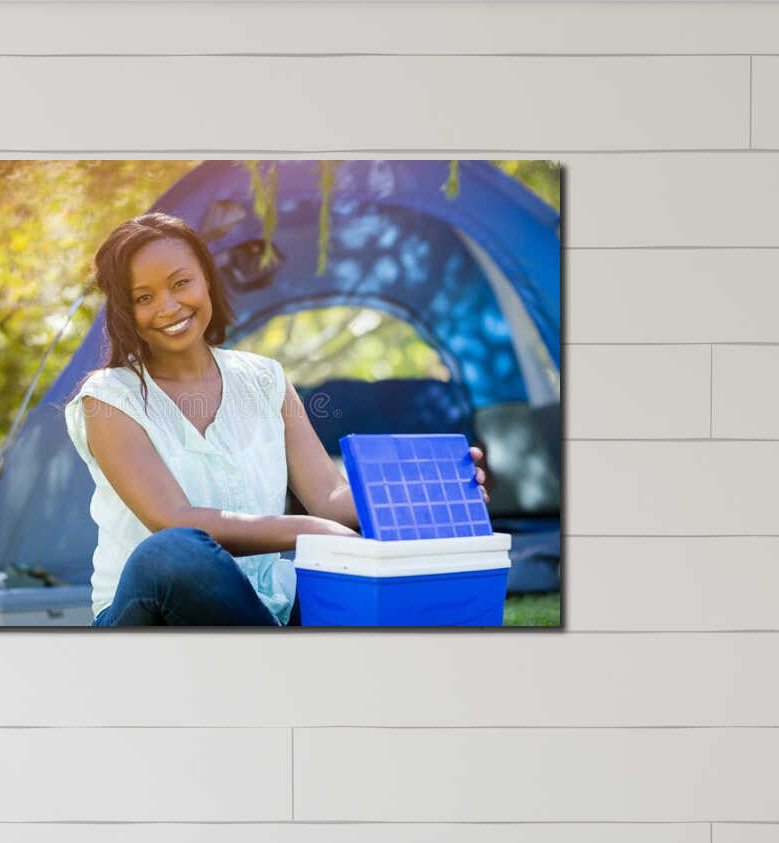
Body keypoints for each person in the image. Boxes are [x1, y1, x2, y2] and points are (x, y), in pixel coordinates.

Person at [62, 211, 484, 626]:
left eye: (180, 283)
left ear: (206, 278)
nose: (169, 307)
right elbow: (172, 519)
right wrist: (312, 530)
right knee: (173, 551)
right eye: (143, 298)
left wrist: (426, 493)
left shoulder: (265, 379)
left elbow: (329, 496)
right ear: (124, 310)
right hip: (149, 612)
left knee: (366, 578)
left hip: (267, 602)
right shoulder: (108, 398)